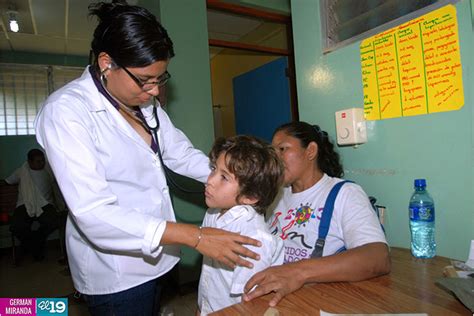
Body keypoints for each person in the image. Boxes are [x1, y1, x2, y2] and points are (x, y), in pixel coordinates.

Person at [34, 1, 261, 315]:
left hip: (158, 257)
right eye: (145, 79)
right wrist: (195, 236)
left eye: (160, 78)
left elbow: (180, 155)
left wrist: (237, 178)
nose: (154, 91)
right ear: (106, 63)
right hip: (116, 270)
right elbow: (93, 214)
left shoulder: (143, 104)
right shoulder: (66, 112)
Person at [243, 121, 391, 306]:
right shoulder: (276, 196)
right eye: (273, 152)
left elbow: (378, 257)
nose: (275, 158)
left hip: (318, 301)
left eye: (283, 149)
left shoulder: (344, 193)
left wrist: (298, 271)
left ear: (311, 151)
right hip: (274, 299)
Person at [198, 135, 285, 315]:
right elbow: (210, 275)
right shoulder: (213, 213)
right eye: (213, 169)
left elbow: (249, 300)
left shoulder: (254, 239)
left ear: (250, 197)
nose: (210, 180)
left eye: (224, 177)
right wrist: (202, 307)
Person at [3, 149, 65, 261]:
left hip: (46, 204)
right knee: (17, 226)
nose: (41, 163)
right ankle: (36, 247)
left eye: (43, 161)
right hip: (25, 204)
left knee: (54, 222)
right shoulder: (22, 171)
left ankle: (32, 244)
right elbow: (7, 181)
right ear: (29, 162)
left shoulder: (48, 170)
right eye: (38, 161)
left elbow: (59, 182)